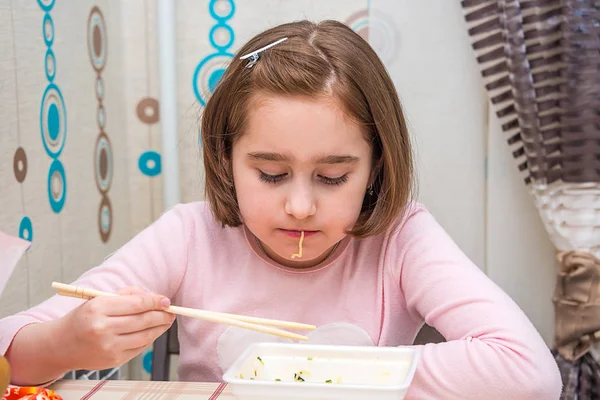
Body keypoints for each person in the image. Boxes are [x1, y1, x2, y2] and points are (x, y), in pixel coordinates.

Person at [0, 20, 561, 399]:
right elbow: (10, 351)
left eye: (333, 176)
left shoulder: (401, 238)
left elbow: (529, 372)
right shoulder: (189, 235)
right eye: (270, 174)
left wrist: (327, 375)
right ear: (225, 157)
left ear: (376, 169)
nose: (299, 205)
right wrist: (68, 342)